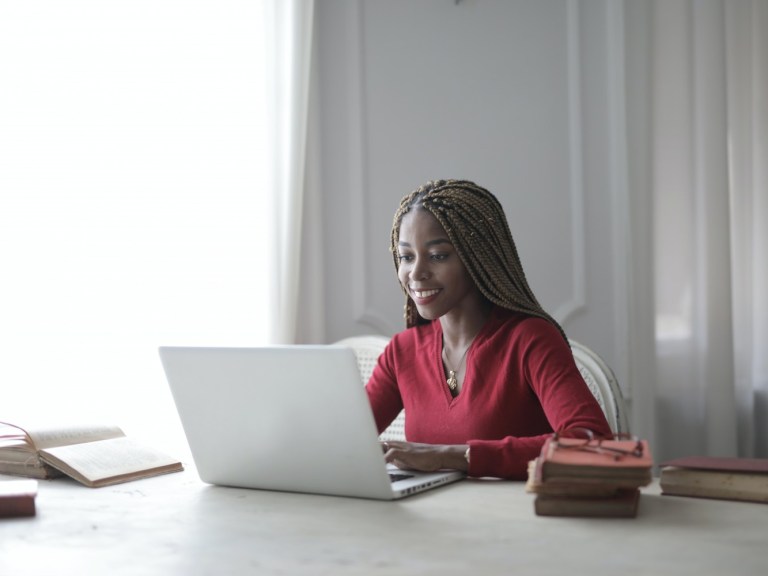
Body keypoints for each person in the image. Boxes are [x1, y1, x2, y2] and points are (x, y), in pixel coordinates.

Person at [365, 179, 612, 480]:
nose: (416, 273)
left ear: (477, 256)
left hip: (515, 520)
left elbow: (593, 444)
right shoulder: (402, 351)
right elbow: (344, 440)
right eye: (406, 257)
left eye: (438, 255)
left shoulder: (530, 339)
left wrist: (453, 456)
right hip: (428, 519)